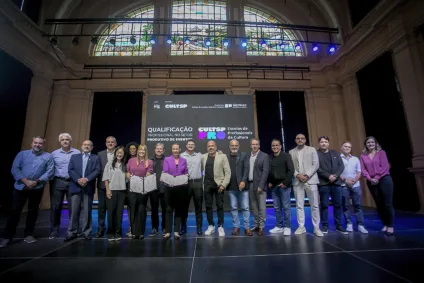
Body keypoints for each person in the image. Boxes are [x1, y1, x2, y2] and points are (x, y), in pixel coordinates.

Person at [0, 136, 54, 248]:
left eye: (40, 143)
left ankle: (29, 234)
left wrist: (36, 181)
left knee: (33, 212)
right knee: (15, 211)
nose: (37, 145)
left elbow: (49, 171)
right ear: (32, 143)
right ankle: (7, 237)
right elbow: (15, 169)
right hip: (20, 187)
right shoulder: (22, 154)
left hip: (37, 188)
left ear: (43, 145)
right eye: (35, 143)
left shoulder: (48, 156)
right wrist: (25, 181)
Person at [64, 140, 101, 242]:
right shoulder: (74, 157)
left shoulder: (96, 158)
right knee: (74, 211)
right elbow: (70, 170)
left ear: (92, 147)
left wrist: (86, 179)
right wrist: (78, 180)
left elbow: (97, 170)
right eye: (85, 144)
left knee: (87, 211)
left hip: (88, 187)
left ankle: (86, 232)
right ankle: (71, 232)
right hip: (76, 186)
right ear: (81, 146)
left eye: (89, 145)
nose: (86, 146)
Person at [289, 134, 323, 237]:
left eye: (302, 138)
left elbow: (316, 164)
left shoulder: (312, 150)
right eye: (298, 138)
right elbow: (290, 167)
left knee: (315, 205)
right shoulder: (291, 152)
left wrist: (307, 175)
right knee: (299, 206)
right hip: (297, 181)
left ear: (305, 140)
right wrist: (298, 175)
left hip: (311, 180)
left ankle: (316, 228)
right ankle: (301, 227)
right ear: (295, 140)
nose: (300, 140)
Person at [360, 136, 395, 235]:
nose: (370, 144)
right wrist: (370, 179)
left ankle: (390, 225)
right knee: (379, 204)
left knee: (387, 204)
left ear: (375, 143)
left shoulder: (381, 153)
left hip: (384, 179)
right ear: (365, 145)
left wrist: (376, 177)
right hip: (371, 181)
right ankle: (385, 224)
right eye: (368, 143)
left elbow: (384, 167)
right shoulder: (363, 156)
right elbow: (363, 169)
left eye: (372, 142)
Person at [49, 133, 80, 239]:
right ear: (60, 141)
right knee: (55, 207)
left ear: (70, 141)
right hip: (58, 182)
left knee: (73, 207)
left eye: (67, 139)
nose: (65, 141)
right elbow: (50, 168)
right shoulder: (54, 154)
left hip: (72, 182)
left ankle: (72, 230)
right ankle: (54, 230)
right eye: (63, 140)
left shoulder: (77, 152)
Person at [316, 136, 347, 234]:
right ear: (319, 143)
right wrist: (328, 176)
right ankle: (325, 226)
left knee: (337, 205)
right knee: (324, 205)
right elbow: (317, 168)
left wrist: (336, 175)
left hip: (336, 183)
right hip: (324, 183)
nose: (323, 143)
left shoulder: (335, 153)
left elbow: (341, 165)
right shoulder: (316, 154)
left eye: (325, 142)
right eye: (322, 142)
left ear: (328, 143)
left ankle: (339, 225)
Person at [202, 140, 231, 237]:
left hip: (219, 185)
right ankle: (211, 226)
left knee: (220, 206)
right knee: (208, 206)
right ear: (207, 147)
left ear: (216, 146)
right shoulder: (203, 157)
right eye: (209, 146)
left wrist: (223, 185)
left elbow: (228, 172)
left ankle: (220, 226)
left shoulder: (222, 156)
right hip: (207, 185)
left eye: (212, 145)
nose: (211, 147)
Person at [340, 142, 368, 234]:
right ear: (342, 147)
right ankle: (349, 224)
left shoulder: (356, 159)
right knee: (346, 206)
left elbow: (359, 172)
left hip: (355, 185)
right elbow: (337, 172)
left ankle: (361, 225)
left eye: (349, 147)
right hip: (343, 185)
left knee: (358, 206)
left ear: (351, 149)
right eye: (345, 146)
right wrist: (345, 180)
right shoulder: (338, 159)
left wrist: (354, 180)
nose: (347, 148)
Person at [268, 139, 294, 236]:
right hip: (274, 186)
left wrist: (285, 183)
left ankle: (287, 227)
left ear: (280, 146)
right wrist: (270, 181)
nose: (275, 147)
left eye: (276, 145)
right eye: (273, 146)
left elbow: (291, 170)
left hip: (284, 186)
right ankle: (279, 226)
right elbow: (269, 171)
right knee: (277, 207)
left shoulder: (286, 156)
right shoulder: (269, 157)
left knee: (286, 207)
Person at [126, 144, 153, 240]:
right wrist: (128, 175)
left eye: (144, 150)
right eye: (140, 150)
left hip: (143, 188)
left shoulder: (149, 162)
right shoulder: (131, 160)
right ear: (137, 151)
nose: (142, 151)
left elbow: (148, 173)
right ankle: (133, 232)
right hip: (132, 188)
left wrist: (144, 178)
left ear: (146, 152)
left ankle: (141, 232)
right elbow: (127, 171)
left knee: (141, 209)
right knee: (133, 209)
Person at [163, 143, 188, 239]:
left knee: (178, 210)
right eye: (174, 149)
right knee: (169, 210)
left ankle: (176, 231)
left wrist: (185, 177)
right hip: (169, 188)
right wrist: (170, 181)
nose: (175, 150)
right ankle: (168, 232)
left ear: (180, 149)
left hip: (180, 188)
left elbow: (185, 172)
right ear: (172, 150)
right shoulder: (167, 159)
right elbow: (165, 172)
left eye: (177, 149)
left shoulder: (184, 160)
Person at [226, 139, 252, 236]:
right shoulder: (226, 157)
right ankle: (236, 227)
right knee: (233, 207)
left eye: (236, 145)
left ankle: (247, 228)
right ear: (229, 146)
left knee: (245, 207)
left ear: (239, 146)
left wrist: (243, 181)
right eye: (232, 145)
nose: (234, 147)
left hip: (242, 186)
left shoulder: (244, 155)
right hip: (231, 187)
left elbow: (246, 169)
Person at [103, 146, 127, 241]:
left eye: (121, 153)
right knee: (111, 212)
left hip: (122, 191)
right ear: (115, 153)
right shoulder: (109, 164)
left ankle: (118, 232)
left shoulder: (125, 165)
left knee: (119, 213)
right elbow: (105, 179)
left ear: (124, 154)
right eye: (118, 152)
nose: (119, 154)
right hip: (112, 191)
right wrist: (108, 190)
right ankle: (110, 232)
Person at [181, 139, 203, 235]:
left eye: (192, 144)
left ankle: (199, 228)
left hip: (197, 183)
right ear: (186, 146)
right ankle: (183, 227)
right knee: (184, 207)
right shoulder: (181, 156)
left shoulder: (200, 156)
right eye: (189, 144)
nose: (190, 145)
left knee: (198, 207)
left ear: (194, 146)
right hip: (185, 184)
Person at [96, 136, 117, 238]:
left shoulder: (120, 153)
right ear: (105, 143)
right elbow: (97, 169)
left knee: (112, 209)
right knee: (101, 208)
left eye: (112, 142)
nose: (110, 143)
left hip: (115, 185)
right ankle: (100, 228)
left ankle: (111, 229)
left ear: (115, 143)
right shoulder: (100, 154)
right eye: (108, 142)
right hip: (102, 185)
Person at [248, 138, 269, 236]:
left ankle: (261, 227)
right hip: (251, 184)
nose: (254, 146)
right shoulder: (249, 156)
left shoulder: (264, 156)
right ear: (250, 145)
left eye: (256, 144)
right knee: (254, 207)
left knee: (262, 208)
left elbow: (265, 172)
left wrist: (261, 185)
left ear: (259, 146)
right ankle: (256, 225)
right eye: (253, 144)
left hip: (260, 185)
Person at [149, 143, 167, 236]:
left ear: (163, 150)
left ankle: (164, 228)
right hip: (153, 188)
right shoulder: (150, 160)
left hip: (165, 188)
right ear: (155, 150)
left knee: (165, 209)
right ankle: (154, 228)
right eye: (157, 148)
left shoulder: (167, 160)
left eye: (161, 149)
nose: (159, 150)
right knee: (154, 209)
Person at [124, 142, 139, 237]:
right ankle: (131, 227)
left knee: (138, 207)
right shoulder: (125, 160)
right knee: (130, 207)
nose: (132, 150)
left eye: (134, 149)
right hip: (127, 186)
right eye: (130, 149)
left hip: (139, 185)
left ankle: (137, 228)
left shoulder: (141, 159)